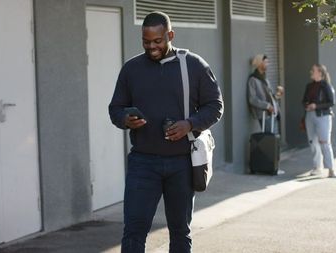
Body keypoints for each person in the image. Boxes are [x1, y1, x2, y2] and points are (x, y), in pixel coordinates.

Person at [108, 11, 223, 253]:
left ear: (170, 35)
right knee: (133, 233)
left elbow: (215, 106)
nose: (151, 47)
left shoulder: (193, 65)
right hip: (143, 162)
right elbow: (115, 109)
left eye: (157, 41)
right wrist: (125, 119)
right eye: (146, 41)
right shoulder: (131, 69)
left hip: (181, 163)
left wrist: (189, 124)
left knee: (180, 232)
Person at [302, 64, 336, 178]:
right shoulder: (309, 86)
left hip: (323, 116)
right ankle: (317, 167)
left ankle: (331, 169)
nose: (311, 71)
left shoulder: (326, 86)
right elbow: (304, 100)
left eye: (313, 70)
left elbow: (331, 102)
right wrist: (306, 105)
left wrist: (316, 106)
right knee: (312, 142)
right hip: (310, 116)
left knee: (325, 142)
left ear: (320, 73)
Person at [247, 54, 280, 134]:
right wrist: (267, 106)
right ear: (259, 64)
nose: (267, 64)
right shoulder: (253, 79)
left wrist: (278, 95)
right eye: (265, 62)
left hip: (272, 113)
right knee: (270, 138)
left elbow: (271, 95)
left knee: (274, 138)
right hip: (264, 114)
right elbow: (252, 99)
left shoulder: (265, 78)